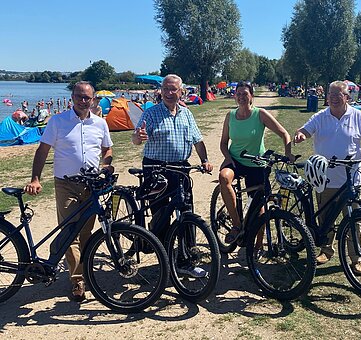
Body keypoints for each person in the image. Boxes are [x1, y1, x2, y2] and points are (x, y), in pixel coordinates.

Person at [24, 81, 114, 302]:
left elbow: (107, 148)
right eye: (79, 96)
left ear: (93, 99)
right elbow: (42, 149)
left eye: (87, 97)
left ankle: (84, 273)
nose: (83, 101)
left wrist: (107, 163)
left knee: (86, 233)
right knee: (69, 232)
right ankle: (77, 281)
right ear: (72, 97)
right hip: (65, 184)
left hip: (90, 185)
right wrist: (36, 178)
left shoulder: (100, 124)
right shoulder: (58, 121)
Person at [294, 80, 361, 275]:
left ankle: (357, 257)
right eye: (330, 95)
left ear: (347, 97)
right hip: (325, 178)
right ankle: (326, 250)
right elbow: (304, 131)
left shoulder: (358, 116)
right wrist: (300, 135)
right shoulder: (321, 117)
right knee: (326, 220)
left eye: (338, 95)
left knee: (354, 219)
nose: (333, 98)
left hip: (351, 179)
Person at [132, 74, 213, 276]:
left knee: (186, 212)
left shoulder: (186, 114)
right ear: (160, 90)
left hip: (181, 169)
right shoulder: (151, 113)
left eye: (173, 89)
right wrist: (138, 137)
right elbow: (136, 138)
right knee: (161, 214)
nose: (169, 93)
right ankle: (161, 253)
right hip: (155, 168)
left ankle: (186, 259)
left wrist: (204, 160)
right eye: (166, 89)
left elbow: (197, 140)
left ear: (181, 91)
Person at [219, 81, 294, 244]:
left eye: (245, 94)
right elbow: (223, 142)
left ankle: (258, 244)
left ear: (251, 96)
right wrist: (227, 157)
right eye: (238, 94)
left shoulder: (259, 114)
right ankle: (237, 225)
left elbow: (284, 133)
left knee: (260, 208)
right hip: (235, 161)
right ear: (234, 96)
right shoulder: (230, 116)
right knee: (224, 178)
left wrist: (288, 153)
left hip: (256, 163)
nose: (241, 97)